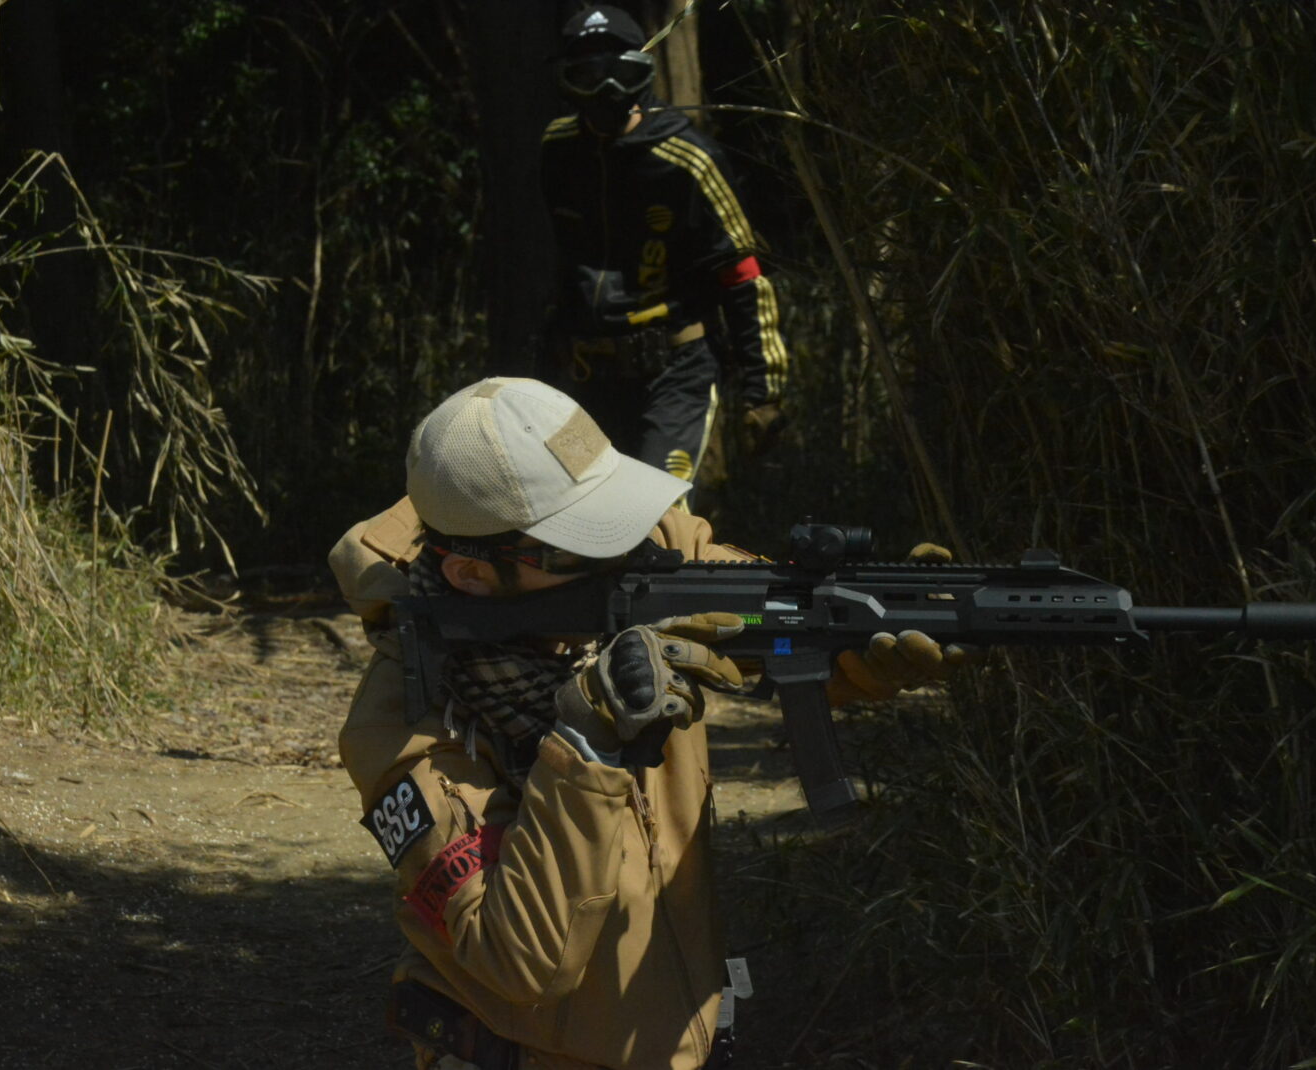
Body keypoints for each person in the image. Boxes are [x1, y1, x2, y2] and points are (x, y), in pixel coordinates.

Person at [329, 377, 965, 1070]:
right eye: (585, 541)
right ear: (471, 574)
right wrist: (585, 744)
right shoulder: (404, 725)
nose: (626, 549)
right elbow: (519, 962)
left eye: (616, 513)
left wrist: (863, 640)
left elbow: (770, 620)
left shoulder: (647, 551)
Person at [539, 5, 790, 499]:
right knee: (571, 513)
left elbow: (742, 273)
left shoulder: (688, 159)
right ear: (567, 81)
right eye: (586, 74)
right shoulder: (558, 149)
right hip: (587, 376)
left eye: (617, 71)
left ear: (641, 71)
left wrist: (764, 394)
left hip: (675, 373)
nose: (604, 89)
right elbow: (565, 263)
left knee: (655, 517)